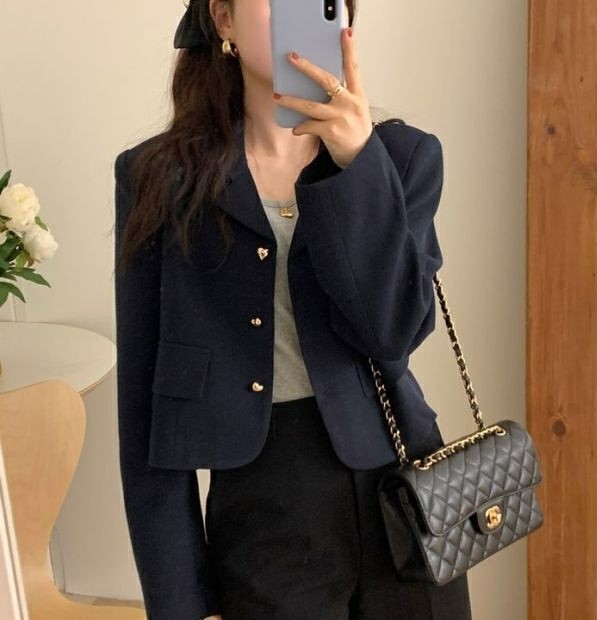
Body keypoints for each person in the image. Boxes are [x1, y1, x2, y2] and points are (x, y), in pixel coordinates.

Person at [113, 0, 473, 618]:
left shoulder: (400, 157)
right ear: (223, 20)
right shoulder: (159, 178)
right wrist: (178, 603)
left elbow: (393, 330)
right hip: (263, 511)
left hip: (407, 493)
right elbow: (145, 408)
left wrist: (357, 166)